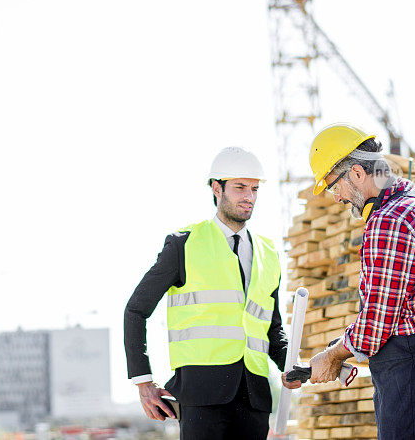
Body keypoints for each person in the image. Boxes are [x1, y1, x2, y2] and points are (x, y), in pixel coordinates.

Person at [298, 123, 415, 439]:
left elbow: (375, 326)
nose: (335, 197)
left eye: (333, 184)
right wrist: (344, 349)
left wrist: (334, 355)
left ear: (357, 174)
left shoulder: (389, 221)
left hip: (414, 385)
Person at [124, 146, 298, 440]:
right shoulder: (184, 244)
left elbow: (272, 328)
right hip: (201, 395)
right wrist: (144, 382)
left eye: (255, 189)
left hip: (254, 398)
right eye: (240, 187)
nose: (249, 197)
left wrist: (293, 364)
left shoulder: (269, 253)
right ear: (217, 188)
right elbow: (135, 310)